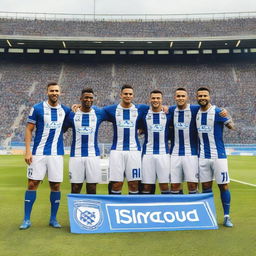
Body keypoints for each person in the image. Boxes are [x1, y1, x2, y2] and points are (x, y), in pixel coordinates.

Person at [19, 82, 71, 230]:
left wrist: (76, 108)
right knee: (32, 184)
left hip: (56, 154)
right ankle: (26, 219)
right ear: (47, 92)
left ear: (60, 93)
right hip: (39, 153)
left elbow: (72, 121)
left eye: (57, 91)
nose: (54, 93)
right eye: (52, 90)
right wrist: (28, 151)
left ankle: (53, 219)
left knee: (55, 186)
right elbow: (29, 129)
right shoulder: (37, 108)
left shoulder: (65, 111)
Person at [196, 87, 235, 228]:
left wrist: (228, 115)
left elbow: (231, 126)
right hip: (202, 157)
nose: (202, 98)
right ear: (197, 97)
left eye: (205, 95)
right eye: (200, 95)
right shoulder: (196, 112)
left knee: (223, 185)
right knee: (206, 186)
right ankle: (209, 216)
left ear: (209, 97)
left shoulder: (218, 112)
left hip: (219, 156)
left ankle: (226, 216)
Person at [104, 84, 148, 195]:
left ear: (133, 96)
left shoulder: (140, 109)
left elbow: (155, 109)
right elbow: (95, 111)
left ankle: (133, 210)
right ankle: (114, 209)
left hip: (134, 151)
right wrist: (78, 106)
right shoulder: (111, 109)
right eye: (125, 94)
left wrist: (164, 107)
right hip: (117, 151)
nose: (128, 96)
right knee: (116, 184)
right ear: (121, 95)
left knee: (134, 184)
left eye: (130, 94)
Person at [64, 88, 106, 194]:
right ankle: (75, 210)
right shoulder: (72, 114)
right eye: (86, 97)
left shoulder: (99, 113)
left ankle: (91, 210)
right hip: (76, 156)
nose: (88, 99)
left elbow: (115, 116)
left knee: (92, 188)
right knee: (75, 188)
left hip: (93, 156)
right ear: (80, 99)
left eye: (91, 98)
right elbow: (62, 129)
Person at [169, 88, 200, 194]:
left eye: (183, 96)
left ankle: (193, 208)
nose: (180, 98)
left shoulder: (195, 109)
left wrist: (223, 111)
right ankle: (178, 209)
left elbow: (209, 108)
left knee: (192, 185)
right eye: (178, 96)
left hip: (191, 154)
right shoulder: (171, 110)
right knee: (174, 185)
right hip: (174, 154)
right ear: (175, 97)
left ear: (187, 97)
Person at [140, 90, 171, 194]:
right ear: (149, 99)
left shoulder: (168, 114)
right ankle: (146, 209)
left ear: (162, 100)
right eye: (153, 98)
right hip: (148, 154)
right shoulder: (144, 114)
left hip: (164, 154)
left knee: (164, 186)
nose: (155, 100)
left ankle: (166, 209)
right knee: (147, 186)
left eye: (158, 98)